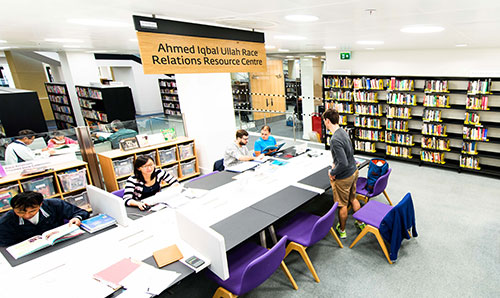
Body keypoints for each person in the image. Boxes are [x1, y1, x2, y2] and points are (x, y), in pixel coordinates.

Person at [322, 108, 364, 239]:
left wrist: (332, 172)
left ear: (327, 121)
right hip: (354, 171)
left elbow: (343, 163)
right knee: (353, 198)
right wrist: (337, 162)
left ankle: (342, 230)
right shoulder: (343, 132)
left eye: (324, 121)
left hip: (344, 177)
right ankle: (361, 222)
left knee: (342, 205)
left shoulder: (334, 139)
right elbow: (349, 153)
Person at [0, 191, 89, 247]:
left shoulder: (55, 204)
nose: (27, 215)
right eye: (20, 212)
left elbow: (82, 212)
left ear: (40, 204)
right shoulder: (6, 221)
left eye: (32, 211)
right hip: (31, 254)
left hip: (61, 244)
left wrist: (77, 218)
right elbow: (5, 245)